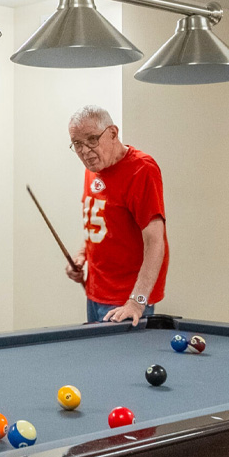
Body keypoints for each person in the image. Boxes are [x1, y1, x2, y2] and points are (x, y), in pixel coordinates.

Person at [66, 105, 169, 326]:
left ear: (113, 133)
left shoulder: (142, 170)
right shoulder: (92, 168)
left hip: (126, 301)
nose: (84, 151)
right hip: (95, 295)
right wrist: (81, 256)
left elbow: (155, 242)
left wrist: (137, 302)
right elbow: (102, 223)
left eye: (92, 139)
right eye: (77, 144)